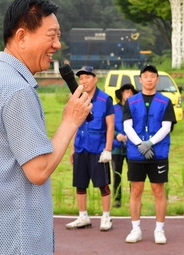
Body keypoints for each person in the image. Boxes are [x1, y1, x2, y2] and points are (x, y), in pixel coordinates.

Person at [0, 0, 92, 255]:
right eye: (51, 35)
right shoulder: (17, 89)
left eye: (58, 35)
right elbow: (38, 170)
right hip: (12, 240)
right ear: (21, 37)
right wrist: (70, 120)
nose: (57, 44)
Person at [123, 65, 177, 245]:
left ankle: (159, 229)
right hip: (136, 154)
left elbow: (166, 127)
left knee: (158, 191)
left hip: (158, 153)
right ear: (140, 79)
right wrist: (140, 144)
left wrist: (150, 143)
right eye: (145, 76)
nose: (149, 79)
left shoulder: (165, 101)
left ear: (157, 79)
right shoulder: (131, 101)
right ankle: (135, 228)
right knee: (136, 190)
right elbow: (127, 127)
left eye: (152, 76)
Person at [65, 66, 115, 231]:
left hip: (98, 147)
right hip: (81, 146)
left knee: (103, 184)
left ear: (95, 78)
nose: (84, 81)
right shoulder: (77, 98)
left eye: (87, 77)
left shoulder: (105, 99)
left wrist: (108, 149)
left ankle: (106, 216)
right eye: (81, 78)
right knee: (80, 184)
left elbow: (110, 126)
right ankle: (83, 216)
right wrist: (73, 148)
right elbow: (74, 124)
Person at [111, 83, 137, 209]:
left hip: (132, 147)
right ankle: (117, 198)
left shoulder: (136, 108)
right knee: (117, 174)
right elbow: (108, 126)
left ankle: (134, 197)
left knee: (133, 173)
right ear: (121, 93)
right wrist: (117, 135)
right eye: (127, 92)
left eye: (131, 93)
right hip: (116, 146)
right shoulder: (114, 109)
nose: (129, 95)